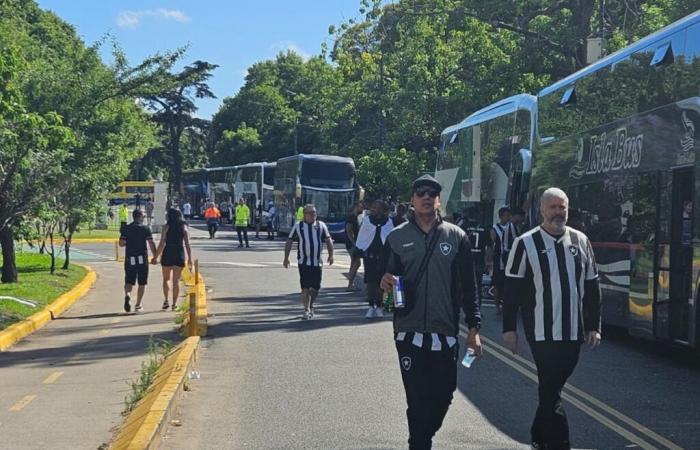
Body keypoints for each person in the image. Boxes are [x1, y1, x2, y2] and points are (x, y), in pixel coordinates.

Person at [380, 174, 481, 449]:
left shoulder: (457, 237)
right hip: (408, 333)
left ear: (438, 200)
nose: (426, 197)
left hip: (445, 332)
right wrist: (385, 285)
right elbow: (387, 284)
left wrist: (474, 329)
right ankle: (419, 443)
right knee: (417, 398)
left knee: (444, 394)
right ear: (412, 200)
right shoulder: (396, 237)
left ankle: (422, 437)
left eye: (432, 193)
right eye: (421, 192)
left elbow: (469, 288)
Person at [503, 187, 601, 450]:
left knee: (551, 389)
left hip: (572, 331)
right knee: (550, 385)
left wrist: (594, 325)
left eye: (562, 207)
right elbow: (511, 290)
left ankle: (538, 434)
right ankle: (560, 443)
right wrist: (509, 329)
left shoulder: (581, 241)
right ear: (542, 210)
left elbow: (592, 286)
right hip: (540, 330)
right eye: (553, 207)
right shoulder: (525, 243)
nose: (558, 212)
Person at [283, 204, 334, 320]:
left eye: (314, 213)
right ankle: (306, 309)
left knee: (315, 287)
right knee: (305, 287)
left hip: (317, 262)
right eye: (310, 213)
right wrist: (286, 258)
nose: (313, 215)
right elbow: (289, 241)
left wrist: (331, 255)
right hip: (303, 262)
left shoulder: (321, 225)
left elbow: (328, 240)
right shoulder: (298, 226)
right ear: (305, 215)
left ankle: (311, 304)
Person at [355, 200, 393, 318]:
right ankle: (371, 305)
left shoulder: (388, 222)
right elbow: (362, 235)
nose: (374, 209)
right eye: (373, 207)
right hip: (369, 256)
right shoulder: (367, 220)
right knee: (370, 282)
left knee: (381, 282)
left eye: (377, 207)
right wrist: (359, 248)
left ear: (383, 209)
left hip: (383, 256)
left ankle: (380, 305)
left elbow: (390, 237)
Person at [153, 208, 193, 311]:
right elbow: (187, 244)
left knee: (166, 279)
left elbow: (162, 243)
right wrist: (190, 259)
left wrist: (155, 257)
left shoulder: (166, 227)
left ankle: (166, 300)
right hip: (179, 251)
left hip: (168, 251)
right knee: (176, 281)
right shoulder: (183, 227)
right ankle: (174, 304)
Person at [119, 209, 157, 313]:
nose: (144, 217)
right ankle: (138, 305)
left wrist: (128, 242)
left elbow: (121, 243)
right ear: (140, 217)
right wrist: (155, 256)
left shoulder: (126, 228)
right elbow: (151, 243)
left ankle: (127, 295)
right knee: (142, 282)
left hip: (130, 258)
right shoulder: (145, 229)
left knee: (129, 280)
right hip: (142, 258)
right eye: (143, 216)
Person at [488, 205, 513, 314]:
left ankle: (506, 304)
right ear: (500, 216)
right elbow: (491, 246)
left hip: (509, 259)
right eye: (506, 216)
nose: (508, 218)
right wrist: (489, 261)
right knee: (497, 284)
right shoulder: (494, 229)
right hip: (499, 260)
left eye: (509, 216)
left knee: (508, 284)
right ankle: (497, 306)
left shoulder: (512, 227)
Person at [344, 203, 363, 290]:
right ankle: (350, 283)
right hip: (352, 244)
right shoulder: (351, 217)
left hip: (355, 243)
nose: (362, 208)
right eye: (360, 207)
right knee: (357, 263)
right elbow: (349, 231)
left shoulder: (357, 217)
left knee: (353, 263)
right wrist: (354, 242)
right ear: (355, 207)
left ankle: (350, 284)